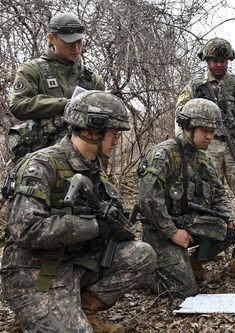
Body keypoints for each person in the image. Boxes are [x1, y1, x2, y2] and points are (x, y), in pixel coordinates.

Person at [0, 90, 156, 332]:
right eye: (114, 134)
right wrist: (92, 227)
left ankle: (83, 310)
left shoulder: (94, 167)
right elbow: (26, 230)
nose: (116, 141)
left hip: (74, 262)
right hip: (37, 272)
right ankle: (33, 314)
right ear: (91, 131)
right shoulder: (42, 165)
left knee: (142, 254)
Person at [138, 98, 235, 298]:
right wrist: (172, 232)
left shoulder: (203, 158)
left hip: (190, 225)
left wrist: (231, 216)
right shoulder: (164, 154)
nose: (210, 137)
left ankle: (194, 266)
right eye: (205, 131)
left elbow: (218, 193)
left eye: (213, 132)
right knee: (185, 291)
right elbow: (148, 199)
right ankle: (143, 275)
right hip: (161, 232)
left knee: (231, 230)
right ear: (188, 127)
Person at [176, 38, 235, 255]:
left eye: (223, 60)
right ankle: (213, 240)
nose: (219, 64)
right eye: (214, 60)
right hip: (206, 148)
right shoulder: (195, 86)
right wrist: (185, 143)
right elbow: (181, 115)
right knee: (206, 193)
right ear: (207, 61)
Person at [9, 12, 105, 163]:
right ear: (52, 38)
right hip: (40, 161)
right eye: (69, 42)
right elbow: (18, 106)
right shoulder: (32, 70)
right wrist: (65, 104)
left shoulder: (91, 78)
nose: (76, 47)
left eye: (79, 41)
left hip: (83, 162)